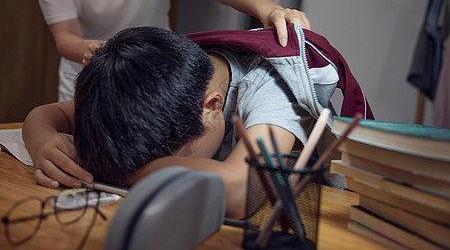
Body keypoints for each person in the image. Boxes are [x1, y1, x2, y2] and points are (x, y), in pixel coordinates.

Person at [22, 25, 373, 217]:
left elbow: (241, 193)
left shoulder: (272, 90)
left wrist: (120, 171)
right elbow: (46, 114)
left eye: (170, 160)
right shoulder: (158, 77)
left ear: (212, 105)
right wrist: (43, 144)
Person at [25, 0, 311, 101]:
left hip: (154, 75)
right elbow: (65, 37)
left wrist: (270, 9)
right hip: (88, 73)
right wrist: (100, 52)